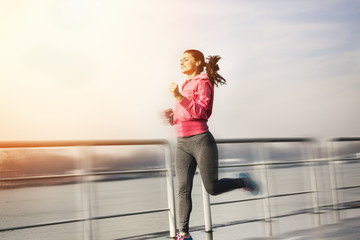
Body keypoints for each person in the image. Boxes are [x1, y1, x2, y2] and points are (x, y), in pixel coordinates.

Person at [164, 49, 259, 240]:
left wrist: (179, 97)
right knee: (183, 189)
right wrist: (172, 117)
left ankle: (244, 182)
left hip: (201, 141)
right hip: (182, 143)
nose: (181, 62)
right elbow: (186, 114)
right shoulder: (185, 84)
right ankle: (183, 234)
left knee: (212, 188)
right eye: (180, 59)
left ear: (198, 62)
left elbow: (202, 113)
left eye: (186, 59)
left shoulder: (204, 82)